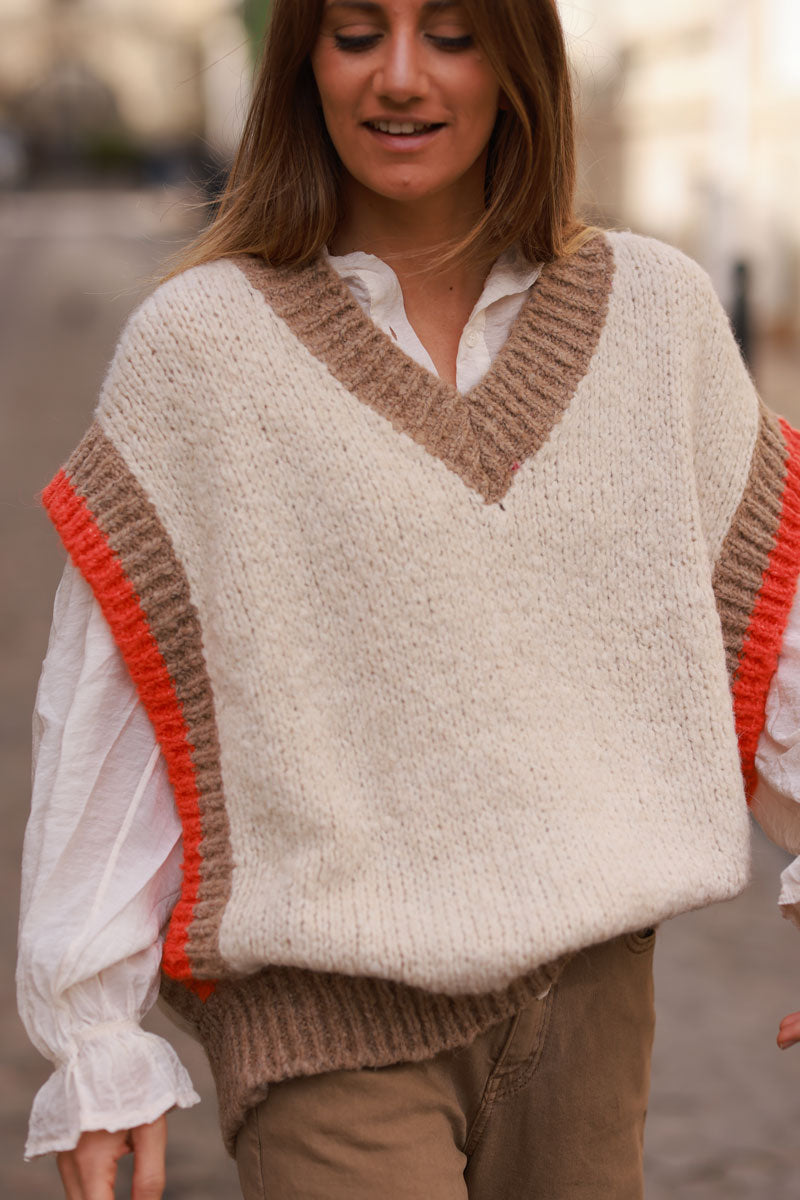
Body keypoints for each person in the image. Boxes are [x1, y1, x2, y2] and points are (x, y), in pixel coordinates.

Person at [16, 0, 800, 1196]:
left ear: (517, 60)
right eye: (352, 32)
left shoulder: (659, 315)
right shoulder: (201, 349)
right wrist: (94, 1041)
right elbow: (121, 698)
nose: (397, 77)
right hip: (326, 1035)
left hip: (590, 1010)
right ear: (301, 64)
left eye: (448, 32)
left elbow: (762, 609)